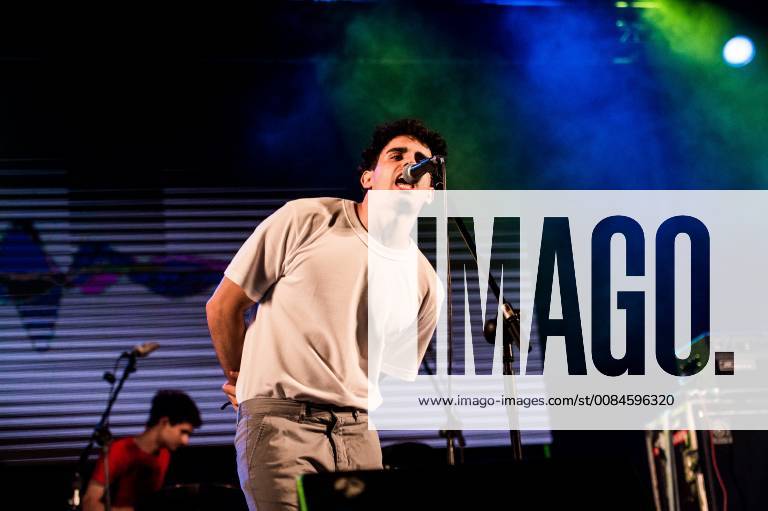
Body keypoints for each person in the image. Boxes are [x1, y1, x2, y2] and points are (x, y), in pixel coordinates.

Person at [206, 118, 446, 511]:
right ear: (369, 178)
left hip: (358, 434)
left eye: (421, 161)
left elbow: (390, 374)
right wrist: (243, 379)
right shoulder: (307, 219)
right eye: (396, 156)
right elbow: (223, 307)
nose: (409, 165)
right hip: (281, 424)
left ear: (430, 192)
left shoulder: (426, 282)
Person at [82, 390, 202, 511]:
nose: (185, 441)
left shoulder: (165, 455)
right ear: (164, 422)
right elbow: (89, 504)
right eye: (183, 432)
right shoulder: (119, 450)